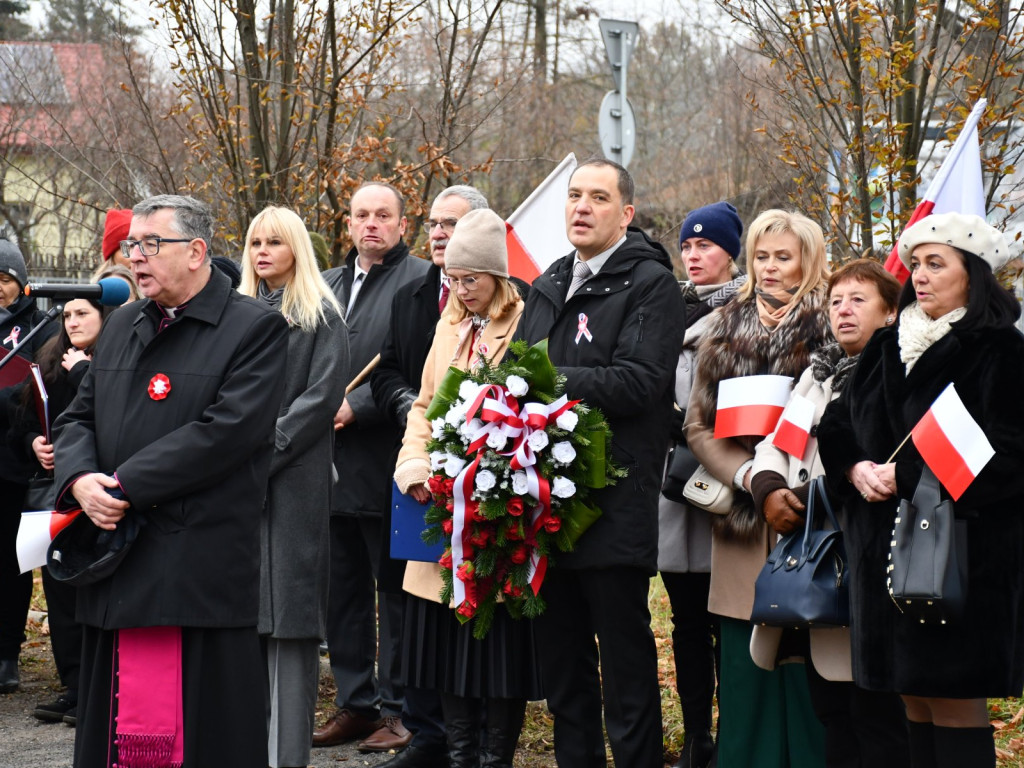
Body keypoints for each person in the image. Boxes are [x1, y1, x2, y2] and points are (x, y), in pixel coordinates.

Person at [52, 194, 289, 766]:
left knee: (204, 736)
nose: (136, 257)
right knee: (115, 737)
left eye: (151, 245)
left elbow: (224, 435)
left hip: (195, 571)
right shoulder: (124, 323)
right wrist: (81, 478)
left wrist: (123, 486)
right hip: (118, 563)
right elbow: (77, 416)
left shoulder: (255, 329)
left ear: (197, 252)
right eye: (133, 245)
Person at [818, 212, 1024, 768]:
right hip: (881, 560)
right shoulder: (888, 344)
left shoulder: (1000, 349)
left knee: (955, 704)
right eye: (916, 264)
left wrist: (905, 476)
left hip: (961, 558)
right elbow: (835, 424)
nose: (921, 276)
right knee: (912, 702)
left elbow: (1012, 453)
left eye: (937, 264)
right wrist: (854, 468)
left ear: (974, 275)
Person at [512, 158, 685, 767]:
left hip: (613, 500)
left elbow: (639, 383)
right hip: (546, 500)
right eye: (575, 196)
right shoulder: (550, 280)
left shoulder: (651, 284)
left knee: (625, 667)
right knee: (563, 671)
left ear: (626, 214)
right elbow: (516, 369)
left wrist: (547, 381)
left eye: (598, 198)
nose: (582, 207)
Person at [392, 208, 539, 768]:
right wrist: (414, 467)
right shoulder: (447, 323)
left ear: (496, 277)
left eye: (470, 279)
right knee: (444, 641)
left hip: (496, 509)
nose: (459, 290)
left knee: (495, 645)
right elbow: (426, 405)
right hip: (440, 507)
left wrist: (493, 473)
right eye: (453, 279)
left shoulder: (525, 321)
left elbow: (531, 408)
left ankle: (495, 757)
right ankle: (458, 756)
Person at [685, 208, 832, 768]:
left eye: (783, 257)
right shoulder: (722, 325)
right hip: (744, 518)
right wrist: (750, 478)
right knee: (747, 662)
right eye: (761, 256)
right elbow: (697, 426)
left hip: (814, 517)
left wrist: (796, 487)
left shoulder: (834, 320)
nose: (769, 268)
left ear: (808, 260)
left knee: (814, 655)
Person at [749, 259, 909, 767]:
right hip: (814, 560)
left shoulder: (896, 372)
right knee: (832, 709)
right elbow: (775, 447)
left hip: (865, 560)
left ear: (889, 315)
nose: (843, 310)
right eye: (836, 300)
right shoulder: (815, 376)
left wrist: (821, 490)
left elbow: (883, 458)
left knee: (876, 713)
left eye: (859, 300)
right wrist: (771, 490)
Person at [370, 184, 491, 768]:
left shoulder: (511, 310)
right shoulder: (415, 296)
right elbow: (394, 372)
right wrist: (404, 415)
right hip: (420, 473)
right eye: (437, 224)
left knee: (462, 607)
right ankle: (426, 729)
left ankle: (468, 738)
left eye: (455, 224)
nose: (441, 234)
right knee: (419, 603)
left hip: (480, 480)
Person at [315, 182, 429, 750]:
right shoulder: (329, 285)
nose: (371, 225)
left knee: (396, 593)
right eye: (361, 215)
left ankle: (399, 708)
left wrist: (356, 406)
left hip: (390, 464)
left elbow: (419, 370)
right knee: (342, 595)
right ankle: (355, 702)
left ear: (402, 224)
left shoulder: (421, 282)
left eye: (383, 215)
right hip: (328, 470)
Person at [239, 206, 349, 768]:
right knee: (243, 628)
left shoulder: (321, 315)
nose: (262, 251)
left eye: (275, 242)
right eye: (255, 241)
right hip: (235, 485)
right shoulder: (234, 313)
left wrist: (265, 450)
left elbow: (320, 399)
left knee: (289, 625)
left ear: (296, 249)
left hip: (293, 484)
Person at [659, 201, 747, 768]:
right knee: (686, 622)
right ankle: (697, 736)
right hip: (673, 486)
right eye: (687, 246)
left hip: (728, 485)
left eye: (706, 246)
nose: (694, 256)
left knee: (731, 625)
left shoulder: (748, 313)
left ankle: (737, 732)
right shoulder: (666, 310)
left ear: (731, 254)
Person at [8, 294, 116, 725]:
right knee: (59, 588)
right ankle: (74, 685)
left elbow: (115, 416)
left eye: (82, 314)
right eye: (67, 315)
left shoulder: (112, 358)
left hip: (103, 489)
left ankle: (100, 686)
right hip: (57, 494)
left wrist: (84, 374)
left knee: (93, 589)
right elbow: (23, 414)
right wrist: (34, 441)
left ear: (103, 318)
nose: (72, 322)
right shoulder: (53, 360)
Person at [0, 234, 57, 694]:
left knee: (11, 564)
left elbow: (35, 395)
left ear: (21, 284)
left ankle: (6, 653)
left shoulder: (41, 328)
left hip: (15, 465)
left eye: (5, 279)